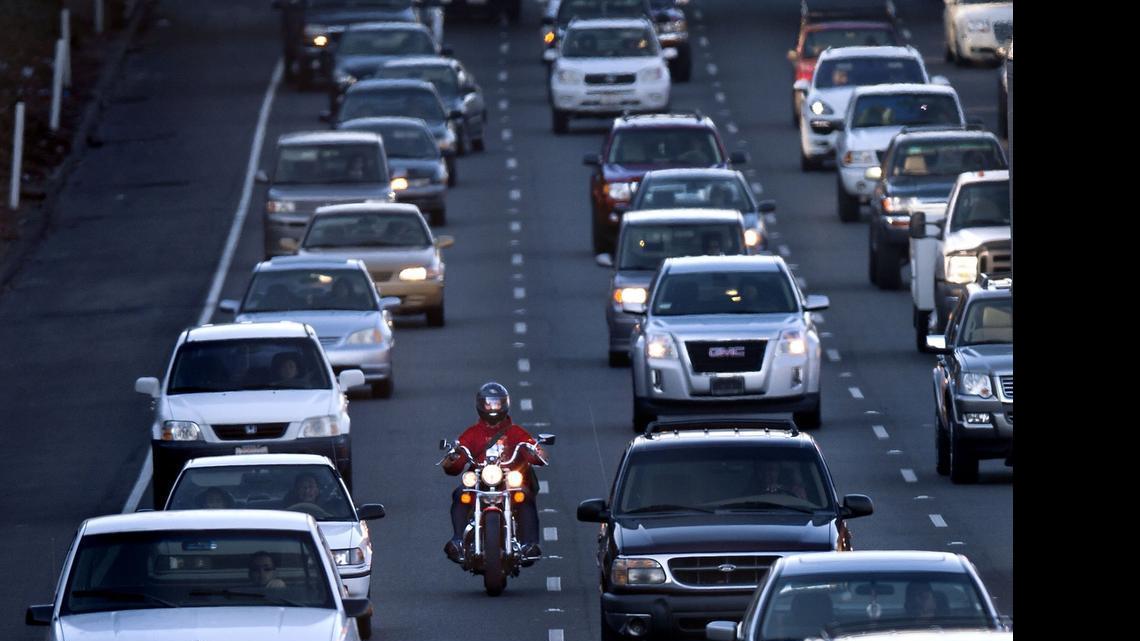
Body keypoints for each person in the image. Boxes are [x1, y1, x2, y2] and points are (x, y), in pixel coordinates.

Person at [441, 382, 543, 563]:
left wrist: (536, 450)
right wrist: (453, 456)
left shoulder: (515, 432)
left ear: (505, 404)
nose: (493, 407)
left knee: (524, 495)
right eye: (489, 403)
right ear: (481, 405)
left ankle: (529, 544)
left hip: (508, 481)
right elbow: (456, 462)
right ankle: (458, 540)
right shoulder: (472, 433)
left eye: (497, 403)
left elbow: (534, 452)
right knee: (460, 494)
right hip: (480, 481)